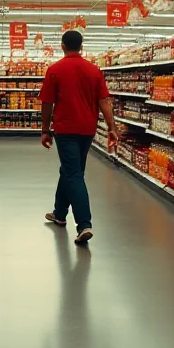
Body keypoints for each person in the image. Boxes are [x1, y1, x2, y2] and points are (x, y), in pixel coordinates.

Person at [38, 30, 120, 244]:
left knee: (73, 173)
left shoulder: (55, 70)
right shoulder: (94, 71)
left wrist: (45, 129)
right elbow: (104, 101)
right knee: (69, 170)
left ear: (63, 46)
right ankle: (59, 213)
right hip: (87, 129)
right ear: (81, 46)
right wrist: (112, 127)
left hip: (65, 129)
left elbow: (47, 103)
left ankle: (84, 224)